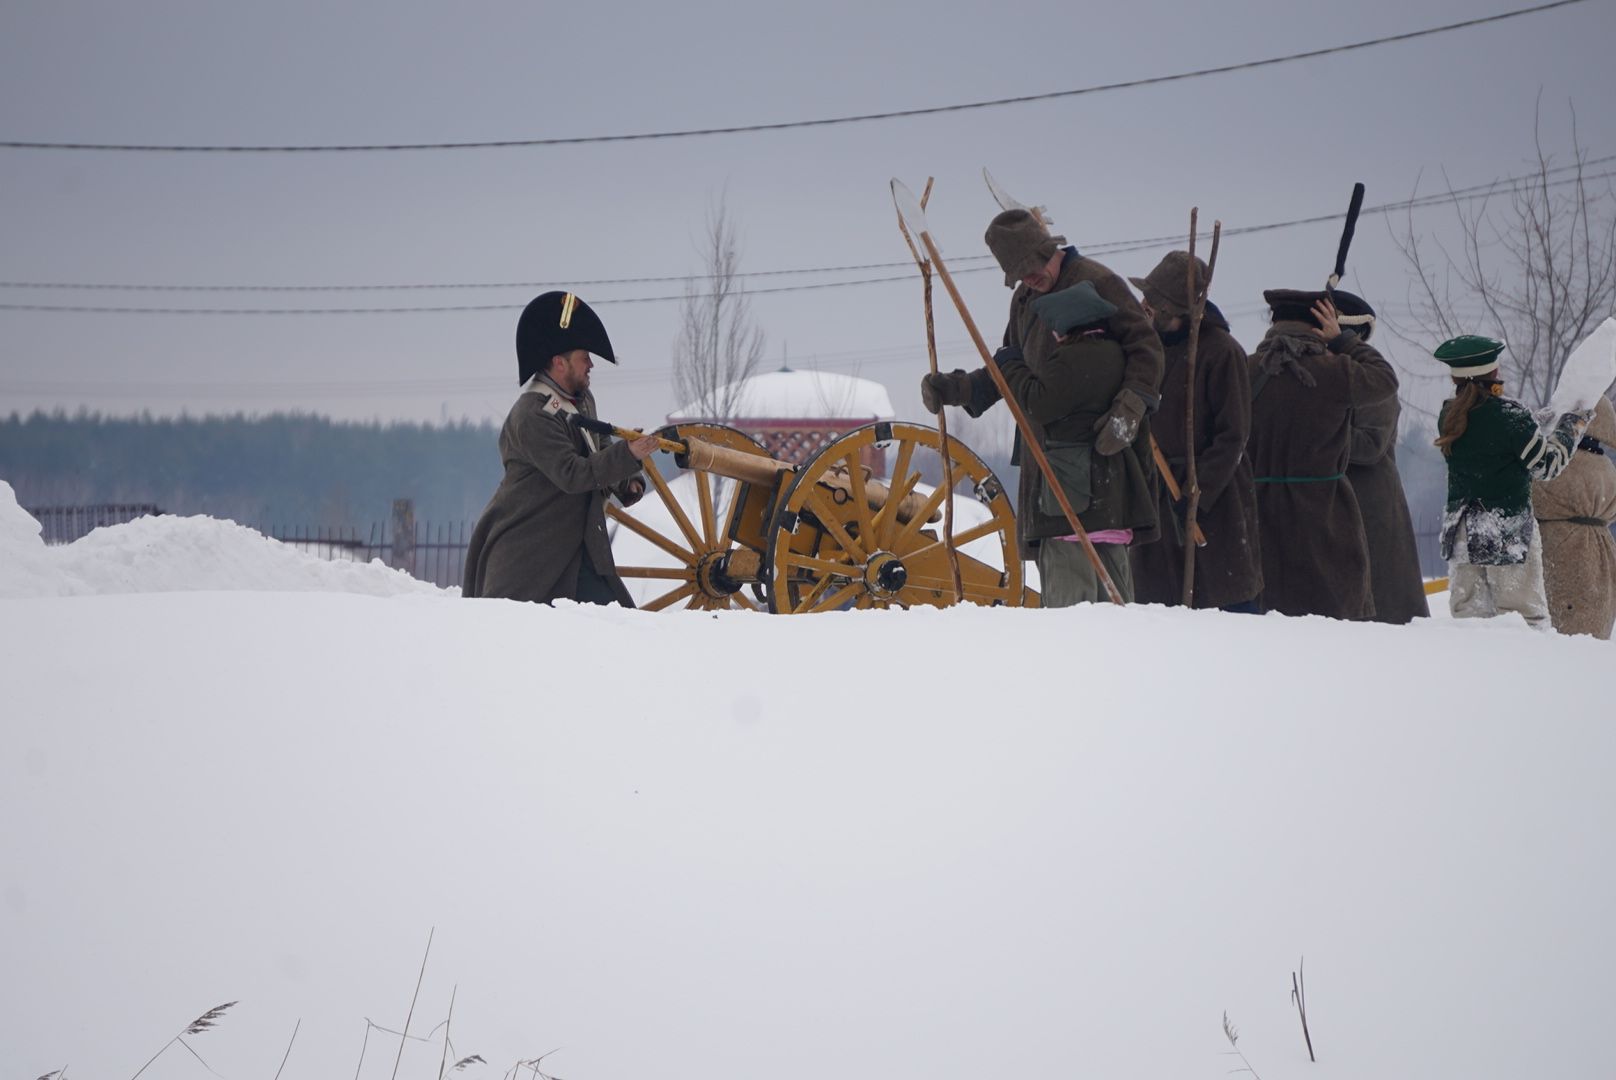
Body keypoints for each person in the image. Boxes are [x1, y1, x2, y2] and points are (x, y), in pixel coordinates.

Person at [920, 209, 1162, 604]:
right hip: (1044, 454)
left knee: (1102, 596)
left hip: (1101, 453)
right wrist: (958, 388)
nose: (1029, 280)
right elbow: (1007, 366)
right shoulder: (1025, 301)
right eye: (1018, 276)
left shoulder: (1098, 282)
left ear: (1048, 249)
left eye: (1031, 269)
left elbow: (1146, 347)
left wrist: (1131, 407)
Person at [463, 291, 659, 605]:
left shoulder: (581, 400)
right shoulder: (532, 417)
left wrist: (625, 481)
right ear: (559, 362)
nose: (591, 364)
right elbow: (572, 474)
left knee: (620, 624)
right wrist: (629, 454)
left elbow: (595, 448)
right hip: (528, 555)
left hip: (575, 550)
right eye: (584, 356)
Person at [1245, 290, 1398, 619]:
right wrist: (1344, 341)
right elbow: (1385, 380)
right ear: (1320, 325)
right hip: (1325, 515)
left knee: (1267, 618)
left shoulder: (1247, 369)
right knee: (1334, 615)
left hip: (1258, 513)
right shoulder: (1335, 371)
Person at [1126, 251, 1261, 611]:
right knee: (1161, 608)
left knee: (1223, 603)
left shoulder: (1222, 353)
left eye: (1152, 303)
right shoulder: (1149, 351)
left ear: (1175, 312)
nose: (1144, 308)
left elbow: (1233, 435)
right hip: (1159, 495)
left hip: (1212, 502)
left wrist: (1198, 491)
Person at [1434, 335, 1589, 629]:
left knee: (1469, 622)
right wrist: (1571, 427)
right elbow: (1546, 466)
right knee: (1522, 621)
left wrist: (1534, 422)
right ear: (1494, 372)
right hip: (1505, 530)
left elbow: (1489, 437)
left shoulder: (1449, 416)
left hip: (1462, 532)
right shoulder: (1512, 418)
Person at [1333, 291, 1430, 623]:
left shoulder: (1370, 379)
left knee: (1383, 613)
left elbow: (1369, 445)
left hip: (1371, 507)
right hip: (1341, 505)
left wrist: (1313, 435)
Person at [1533, 395, 1616, 639]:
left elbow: (1534, 498)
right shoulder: (1606, 469)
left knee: (1562, 632)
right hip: (1602, 557)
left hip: (1562, 553)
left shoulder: (1560, 465)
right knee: (1593, 628)